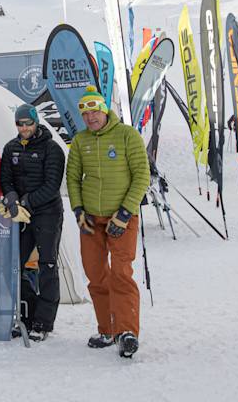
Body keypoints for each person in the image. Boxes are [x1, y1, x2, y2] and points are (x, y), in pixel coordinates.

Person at [65, 85, 150, 358]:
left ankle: (127, 332)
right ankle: (107, 329)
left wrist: (125, 213)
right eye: (85, 114)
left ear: (104, 109)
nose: (90, 118)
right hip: (91, 219)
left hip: (121, 218)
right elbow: (73, 178)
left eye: (94, 112)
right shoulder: (80, 141)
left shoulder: (127, 135)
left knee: (121, 273)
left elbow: (141, 176)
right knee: (96, 275)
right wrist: (78, 210)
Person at [0, 103, 65, 342]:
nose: (24, 127)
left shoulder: (52, 148)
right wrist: (12, 198)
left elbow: (51, 186)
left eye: (28, 123)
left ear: (36, 123)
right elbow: (5, 179)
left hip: (47, 213)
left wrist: (26, 202)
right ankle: (27, 314)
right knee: (13, 265)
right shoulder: (11, 147)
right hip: (20, 214)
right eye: (20, 123)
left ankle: (44, 322)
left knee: (47, 265)